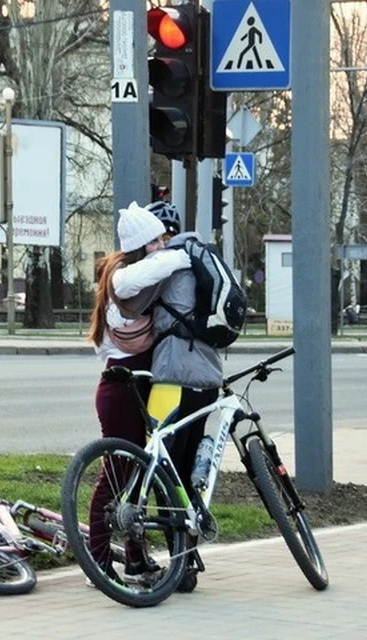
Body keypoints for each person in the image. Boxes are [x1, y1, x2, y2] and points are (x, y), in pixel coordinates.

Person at [85, 201, 190, 583]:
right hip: (121, 388)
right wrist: (184, 254)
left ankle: (136, 558)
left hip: (136, 386)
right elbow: (156, 267)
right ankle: (96, 562)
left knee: (137, 479)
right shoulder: (123, 281)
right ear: (142, 245)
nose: (164, 245)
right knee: (115, 476)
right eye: (158, 240)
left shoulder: (134, 279)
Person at [146, 201, 225, 592]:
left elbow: (133, 305)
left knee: (162, 469)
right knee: (188, 467)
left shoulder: (164, 265)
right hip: (207, 379)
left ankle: (181, 565)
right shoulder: (199, 258)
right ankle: (190, 553)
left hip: (172, 377)